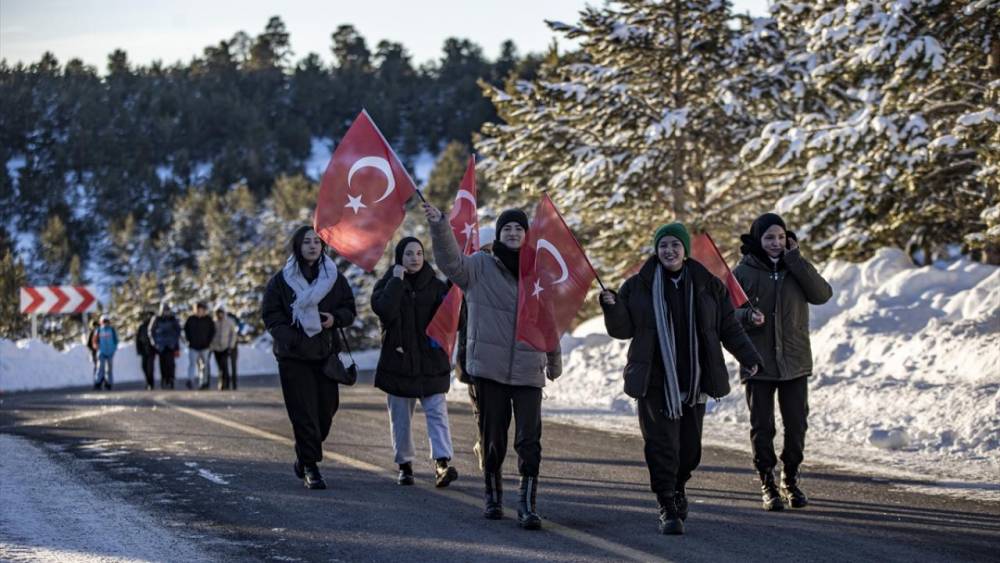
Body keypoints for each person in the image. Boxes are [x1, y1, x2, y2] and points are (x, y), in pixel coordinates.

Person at [600, 222, 763, 535]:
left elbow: (728, 326)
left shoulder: (708, 284)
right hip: (654, 378)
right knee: (661, 445)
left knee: (689, 449)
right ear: (656, 250)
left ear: (685, 250)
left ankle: (678, 485)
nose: (669, 251)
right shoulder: (638, 285)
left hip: (694, 379)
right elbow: (622, 330)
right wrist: (612, 308)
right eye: (663, 246)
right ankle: (666, 503)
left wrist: (749, 356)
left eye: (675, 245)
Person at [424, 203, 562, 531]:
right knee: (493, 437)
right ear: (499, 234)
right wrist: (440, 227)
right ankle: (493, 495)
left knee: (529, 439)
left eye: (518, 229)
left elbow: (548, 320)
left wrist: (554, 358)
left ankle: (527, 505)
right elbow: (449, 262)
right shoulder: (479, 267)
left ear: (526, 234)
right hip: (490, 369)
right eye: (507, 229)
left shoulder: (537, 271)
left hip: (529, 368)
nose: (513, 233)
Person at [733, 213, 833, 511]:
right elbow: (724, 316)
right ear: (757, 240)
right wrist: (747, 316)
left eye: (779, 237)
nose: (775, 243)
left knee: (797, 425)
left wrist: (796, 260)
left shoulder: (795, 268)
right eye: (769, 238)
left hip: (794, 362)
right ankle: (768, 482)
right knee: (762, 427)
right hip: (758, 363)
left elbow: (822, 294)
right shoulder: (743, 273)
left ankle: (790, 479)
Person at [262, 225, 356, 490]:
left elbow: (349, 309)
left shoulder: (334, 277)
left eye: (316, 242)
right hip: (293, 357)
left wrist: (335, 319)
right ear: (297, 247)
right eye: (306, 242)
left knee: (326, 411)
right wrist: (291, 337)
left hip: (325, 354)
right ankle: (311, 467)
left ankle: (304, 457)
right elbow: (271, 314)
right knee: (303, 413)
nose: (312, 246)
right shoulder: (283, 279)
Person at [372, 237, 457, 488]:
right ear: (400, 257)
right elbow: (385, 311)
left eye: (419, 253)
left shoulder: (436, 285)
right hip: (398, 362)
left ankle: (442, 463)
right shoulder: (386, 284)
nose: (415, 258)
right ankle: (405, 465)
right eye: (409, 254)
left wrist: (456, 294)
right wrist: (396, 281)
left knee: (437, 413)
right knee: (400, 418)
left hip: (431, 362)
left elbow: (454, 322)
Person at [455, 224, 494, 470]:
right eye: (485, 251)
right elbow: (454, 320)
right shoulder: (466, 281)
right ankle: (485, 444)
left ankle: (488, 443)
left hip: (500, 357)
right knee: (481, 407)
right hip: (473, 355)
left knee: (498, 411)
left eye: (493, 251)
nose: (489, 257)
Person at [183, 302, 216, 390]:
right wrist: (189, 340)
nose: (200, 311)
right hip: (193, 346)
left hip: (205, 347)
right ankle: (190, 380)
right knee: (192, 364)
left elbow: (212, 332)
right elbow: (186, 331)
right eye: (198, 310)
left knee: (204, 365)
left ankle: (203, 382)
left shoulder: (208, 320)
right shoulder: (191, 319)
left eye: (202, 310)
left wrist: (209, 342)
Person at [149, 302, 182, 389]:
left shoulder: (172, 319)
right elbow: (151, 331)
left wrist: (175, 341)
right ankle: (164, 379)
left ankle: (171, 379)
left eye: (167, 310)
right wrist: (155, 343)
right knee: (162, 364)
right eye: (164, 310)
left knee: (171, 364)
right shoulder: (157, 319)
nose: (166, 312)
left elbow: (178, 331)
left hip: (170, 345)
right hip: (161, 346)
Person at [211, 305, 238, 390]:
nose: (220, 315)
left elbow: (233, 334)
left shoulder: (230, 322)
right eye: (218, 313)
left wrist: (231, 345)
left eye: (221, 313)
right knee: (219, 366)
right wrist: (211, 346)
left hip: (226, 347)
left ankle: (226, 383)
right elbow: (211, 334)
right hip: (216, 348)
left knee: (225, 365)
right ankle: (221, 382)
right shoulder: (214, 322)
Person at [93, 314, 119, 390]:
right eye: (104, 321)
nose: (105, 323)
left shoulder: (112, 330)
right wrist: (97, 347)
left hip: (110, 352)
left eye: (107, 321)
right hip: (101, 352)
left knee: (109, 369)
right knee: (100, 368)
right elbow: (94, 341)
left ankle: (109, 383)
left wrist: (114, 348)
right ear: (101, 322)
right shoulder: (98, 330)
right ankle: (97, 383)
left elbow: (116, 340)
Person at [135, 308, 157, 390]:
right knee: (144, 367)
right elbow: (138, 339)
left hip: (151, 350)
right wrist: (138, 349)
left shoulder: (155, 326)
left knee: (150, 368)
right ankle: (148, 381)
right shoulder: (142, 326)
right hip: (144, 350)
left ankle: (151, 383)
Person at [227, 312, 241, 390]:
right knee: (231, 366)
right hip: (228, 345)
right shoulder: (232, 320)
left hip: (232, 346)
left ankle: (233, 384)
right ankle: (231, 384)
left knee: (232, 365)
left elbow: (237, 333)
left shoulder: (234, 321)